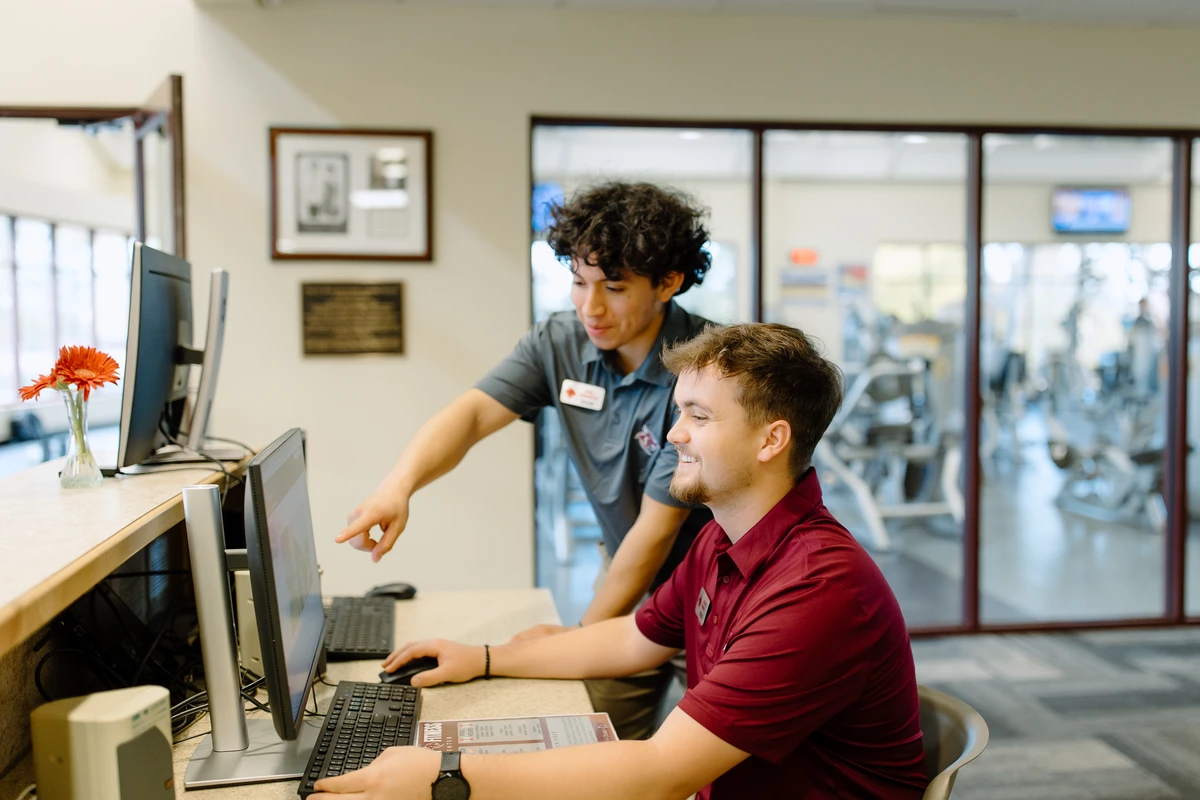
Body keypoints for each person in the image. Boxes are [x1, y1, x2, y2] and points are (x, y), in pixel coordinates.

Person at [314, 323, 928, 800]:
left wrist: (446, 776)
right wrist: (483, 658)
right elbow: (636, 640)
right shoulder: (723, 537)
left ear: (772, 440)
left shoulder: (820, 589)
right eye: (679, 411)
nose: (674, 435)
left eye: (699, 417)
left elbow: (661, 771)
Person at [336, 182, 716, 739]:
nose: (591, 307)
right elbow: (470, 416)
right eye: (580, 283)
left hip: (710, 590)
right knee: (596, 735)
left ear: (668, 283)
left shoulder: (702, 368)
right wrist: (399, 486)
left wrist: (579, 636)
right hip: (627, 574)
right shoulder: (559, 343)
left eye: (613, 287)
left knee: (707, 763)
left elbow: (656, 532)